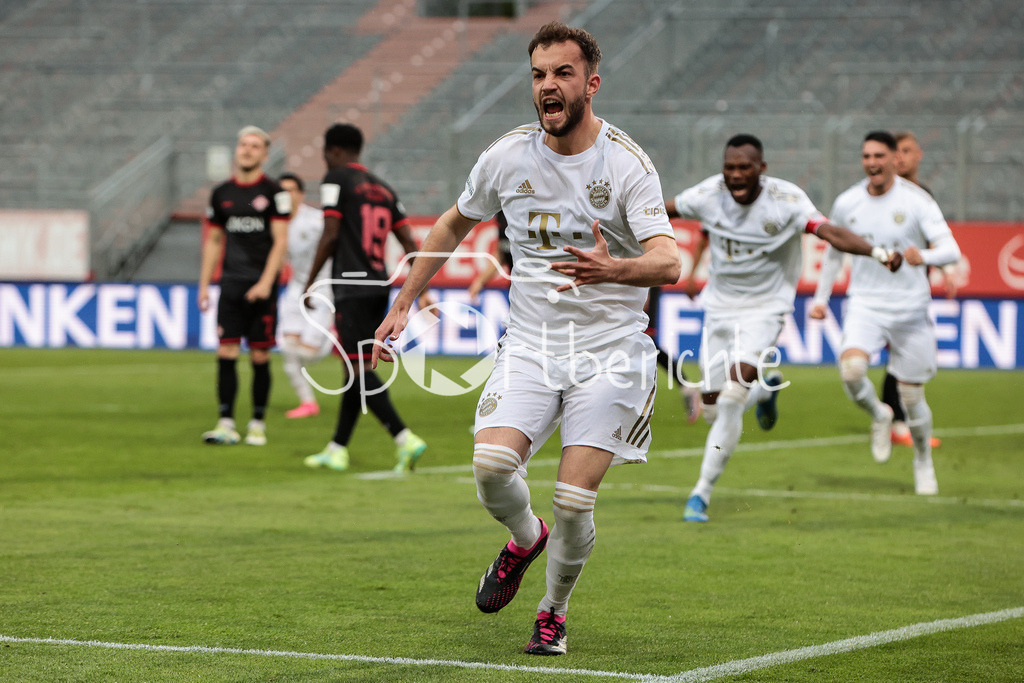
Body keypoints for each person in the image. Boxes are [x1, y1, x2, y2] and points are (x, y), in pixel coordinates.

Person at [373, 22, 681, 656]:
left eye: (562, 74)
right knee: (489, 468)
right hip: (532, 347)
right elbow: (455, 221)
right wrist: (404, 300)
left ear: (590, 84)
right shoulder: (508, 154)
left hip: (611, 353)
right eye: (539, 74)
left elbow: (669, 262)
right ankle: (523, 538)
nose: (548, 86)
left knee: (573, 500)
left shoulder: (625, 164)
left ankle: (553, 612)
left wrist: (612, 269)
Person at [665, 134, 901, 522]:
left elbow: (831, 232)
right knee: (711, 408)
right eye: (730, 167)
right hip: (719, 310)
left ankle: (700, 494)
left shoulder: (786, 201)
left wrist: (877, 252)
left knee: (729, 401)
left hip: (765, 309)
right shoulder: (709, 194)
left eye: (745, 167)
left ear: (762, 168)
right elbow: (663, 210)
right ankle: (764, 391)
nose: (736, 175)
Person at [810, 131, 961, 495]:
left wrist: (922, 256)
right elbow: (833, 252)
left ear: (895, 159)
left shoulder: (917, 201)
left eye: (879, 155)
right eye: (866, 156)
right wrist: (821, 297)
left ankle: (922, 459)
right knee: (851, 371)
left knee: (912, 397)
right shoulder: (848, 201)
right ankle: (880, 414)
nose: (872, 162)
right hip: (866, 304)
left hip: (910, 310)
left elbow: (951, 249)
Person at [301, 123, 428, 474]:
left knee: (357, 371)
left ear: (334, 151)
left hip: (350, 285)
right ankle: (337, 447)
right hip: (378, 284)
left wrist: (309, 282)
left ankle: (404, 437)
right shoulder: (384, 189)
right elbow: (408, 242)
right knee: (352, 369)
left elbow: (330, 235)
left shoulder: (336, 180)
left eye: (326, 154)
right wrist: (423, 289)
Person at [198, 125, 289, 446]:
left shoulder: (276, 193)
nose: (247, 150)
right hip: (231, 285)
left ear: (264, 154)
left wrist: (266, 282)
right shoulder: (221, 193)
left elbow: (280, 243)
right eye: (243, 145)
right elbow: (213, 240)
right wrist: (204, 284)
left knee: (260, 356)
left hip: (262, 286)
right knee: (226, 351)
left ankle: (257, 424)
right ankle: (225, 422)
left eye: (254, 146)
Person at [277, 172, 333, 419]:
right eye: (282, 191)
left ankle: (333, 338)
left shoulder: (315, 221)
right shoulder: (278, 223)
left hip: (321, 287)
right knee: (287, 349)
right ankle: (308, 403)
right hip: (294, 287)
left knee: (309, 353)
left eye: (291, 190)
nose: (286, 195)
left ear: (300, 194)